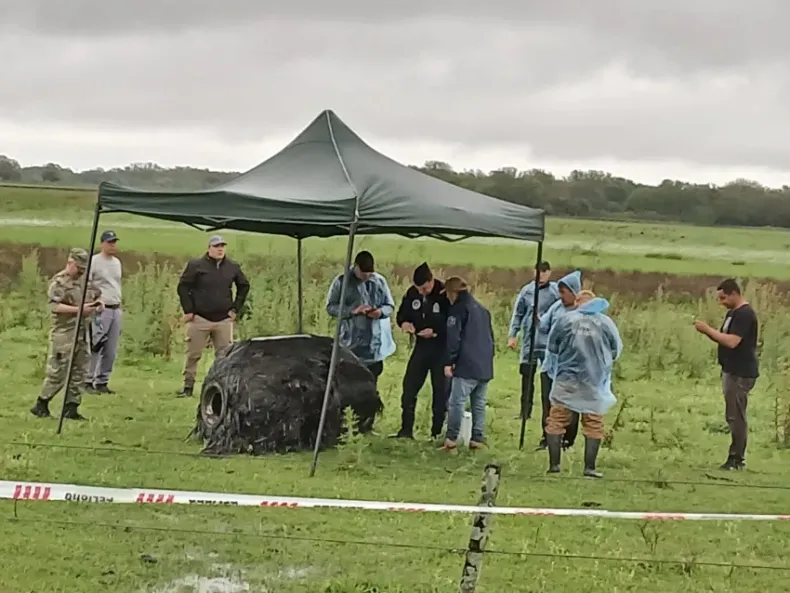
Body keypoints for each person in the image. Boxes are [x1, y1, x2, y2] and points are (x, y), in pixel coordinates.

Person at [544, 290, 623, 478]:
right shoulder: (605, 323)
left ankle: (554, 466)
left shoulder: (565, 320)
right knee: (593, 422)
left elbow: (552, 346)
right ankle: (589, 468)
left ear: (577, 302)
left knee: (556, 419)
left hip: (566, 379)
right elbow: (615, 349)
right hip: (594, 381)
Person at [30, 247, 103, 421]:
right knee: (59, 370)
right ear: (71, 263)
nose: (81, 272)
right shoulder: (59, 282)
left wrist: (99, 304)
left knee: (80, 370)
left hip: (83, 332)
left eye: (84, 269)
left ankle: (71, 407)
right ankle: (42, 403)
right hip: (64, 333)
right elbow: (54, 306)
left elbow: (96, 295)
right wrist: (79, 310)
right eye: (79, 268)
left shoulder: (85, 280)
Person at [694, 278, 759, 471]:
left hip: (741, 373)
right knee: (732, 415)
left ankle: (736, 459)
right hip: (731, 370)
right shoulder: (733, 313)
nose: (721, 302)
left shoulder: (745, 314)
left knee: (736, 416)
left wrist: (707, 330)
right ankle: (736, 457)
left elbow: (732, 341)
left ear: (734, 293)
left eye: (723, 298)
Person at [176, 235, 250, 398]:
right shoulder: (196, 265)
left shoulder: (232, 267)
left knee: (225, 356)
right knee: (193, 354)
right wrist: (188, 309)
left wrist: (235, 309)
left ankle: (223, 388)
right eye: (216, 246)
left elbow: (244, 286)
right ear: (209, 248)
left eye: (222, 246)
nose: (220, 249)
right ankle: (188, 386)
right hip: (200, 318)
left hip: (224, 319)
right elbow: (183, 287)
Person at [391, 262, 450, 439]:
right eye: (419, 289)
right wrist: (405, 323)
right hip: (421, 347)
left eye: (425, 288)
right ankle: (406, 430)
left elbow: (453, 322)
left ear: (431, 281)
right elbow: (402, 315)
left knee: (440, 392)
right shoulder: (412, 294)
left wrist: (436, 331)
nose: (422, 293)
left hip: (441, 348)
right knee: (409, 387)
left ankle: (436, 433)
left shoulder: (444, 293)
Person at [325, 250, 396, 390]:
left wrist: (380, 312)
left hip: (374, 346)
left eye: (369, 274)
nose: (366, 276)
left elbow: (389, 306)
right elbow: (330, 307)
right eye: (363, 273)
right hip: (350, 346)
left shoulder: (379, 281)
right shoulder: (342, 282)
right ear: (356, 267)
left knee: (370, 385)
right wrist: (352, 311)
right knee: (349, 386)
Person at [439, 277, 495, 451]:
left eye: (447, 294)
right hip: (484, 364)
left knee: (456, 402)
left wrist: (449, 361)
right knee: (478, 403)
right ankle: (477, 439)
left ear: (453, 293)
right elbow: (491, 338)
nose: (447, 297)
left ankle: (451, 440)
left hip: (466, 364)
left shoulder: (457, 310)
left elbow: (454, 338)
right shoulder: (483, 310)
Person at [507, 261, 559, 425]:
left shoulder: (555, 291)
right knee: (527, 376)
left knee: (548, 379)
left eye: (544, 271)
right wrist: (513, 334)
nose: (541, 274)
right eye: (539, 271)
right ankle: (525, 411)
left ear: (549, 272)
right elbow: (518, 314)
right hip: (530, 341)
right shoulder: (527, 291)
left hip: (548, 342)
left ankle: (549, 413)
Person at [536, 271, 584, 450]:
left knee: (570, 405)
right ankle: (547, 438)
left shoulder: (582, 311)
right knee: (548, 403)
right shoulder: (556, 307)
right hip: (550, 366)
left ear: (574, 292)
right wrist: (536, 319)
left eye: (564, 292)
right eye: (560, 292)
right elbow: (544, 326)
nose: (561, 296)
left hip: (571, 369)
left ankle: (567, 440)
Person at [85, 230, 123, 394]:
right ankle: (87, 379)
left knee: (111, 348)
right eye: (109, 242)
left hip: (115, 307)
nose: (112, 245)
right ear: (102, 244)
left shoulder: (117, 263)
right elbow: (87, 283)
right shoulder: (94, 261)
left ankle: (102, 380)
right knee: (96, 344)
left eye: (114, 242)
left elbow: (117, 284)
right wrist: (94, 301)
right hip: (101, 307)